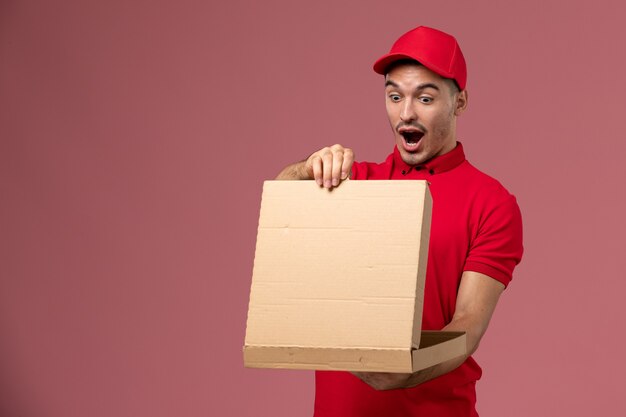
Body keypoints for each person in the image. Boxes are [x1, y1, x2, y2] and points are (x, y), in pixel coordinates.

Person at [276, 26, 523, 417]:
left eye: (425, 98)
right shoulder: (351, 182)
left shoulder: (492, 203)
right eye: (395, 96)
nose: (406, 113)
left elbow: (468, 327)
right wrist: (307, 168)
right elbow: (281, 209)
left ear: (459, 102)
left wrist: (405, 369)